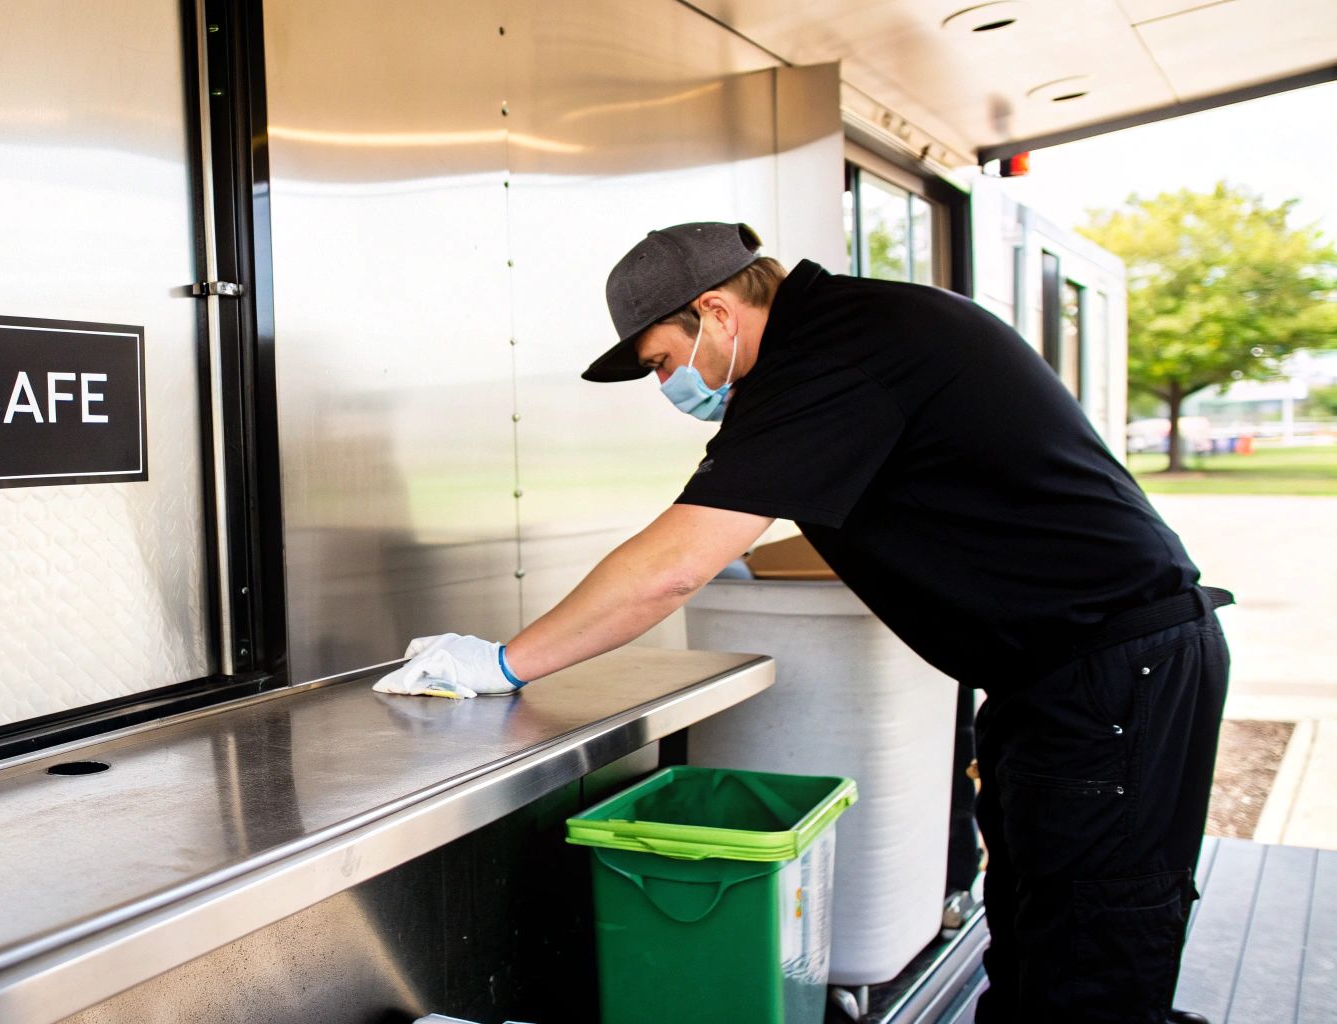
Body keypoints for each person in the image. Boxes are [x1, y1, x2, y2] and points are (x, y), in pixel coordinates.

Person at [374, 222, 1229, 1024]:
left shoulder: (831, 356)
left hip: (1112, 677)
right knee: (1044, 943)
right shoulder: (848, 336)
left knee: (1092, 967)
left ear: (715, 309)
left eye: (664, 360)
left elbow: (672, 567)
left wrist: (504, 664)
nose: (670, 384)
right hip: (1067, 679)